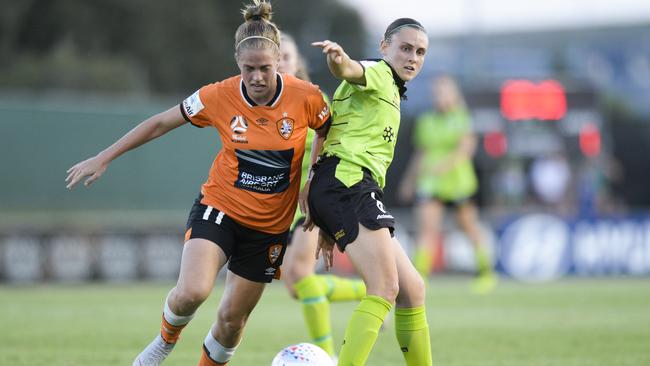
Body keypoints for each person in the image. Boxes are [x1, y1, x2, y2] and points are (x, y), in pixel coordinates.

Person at [65, 2, 331, 365]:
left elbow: (329, 132)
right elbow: (160, 122)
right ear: (237, 63)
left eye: (265, 68)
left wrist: (313, 177)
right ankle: (163, 342)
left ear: (278, 64)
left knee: (231, 321)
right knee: (192, 291)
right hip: (219, 208)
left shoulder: (307, 96)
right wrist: (104, 157)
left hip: (269, 229)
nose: (256, 77)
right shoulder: (218, 95)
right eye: (248, 69)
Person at [305, 18, 432, 366]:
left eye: (420, 52)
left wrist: (323, 210)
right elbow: (349, 69)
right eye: (405, 48)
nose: (413, 57)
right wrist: (337, 58)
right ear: (384, 47)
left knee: (412, 290)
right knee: (384, 288)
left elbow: (328, 134)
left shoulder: (390, 88)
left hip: (345, 187)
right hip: (348, 183)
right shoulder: (378, 73)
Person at [278, 33, 366, 359]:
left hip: (310, 199)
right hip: (280, 207)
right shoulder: (260, 104)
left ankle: (325, 356)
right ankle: (369, 291)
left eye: (286, 56)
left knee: (300, 275)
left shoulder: (314, 98)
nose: (279, 62)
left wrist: (317, 191)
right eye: (275, 57)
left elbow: (329, 146)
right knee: (295, 286)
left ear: (297, 61)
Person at [398, 75, 497, 294]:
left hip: (458, 182)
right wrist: (409, 180)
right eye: (437, 93)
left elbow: (466, 149)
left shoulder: (462, 117)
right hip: (430, 182)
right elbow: (420, 153)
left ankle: (486, 272)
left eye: (444, 92)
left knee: (469, 227)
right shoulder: (426, 120)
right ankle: (420, 277)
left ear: (454, 94)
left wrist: (444, 165)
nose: (439, 97)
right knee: (427, 229)